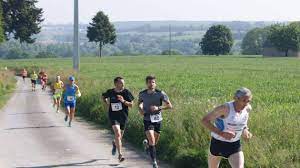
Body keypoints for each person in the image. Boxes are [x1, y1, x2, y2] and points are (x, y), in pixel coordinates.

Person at [201, 87, 253, 168]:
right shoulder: (224, 108)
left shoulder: (247, 109)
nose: (246, 104)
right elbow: (205, 120)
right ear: (235, 98)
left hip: (234, 145)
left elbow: (243, 122)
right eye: (243, 100)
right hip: (217, 144)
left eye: (248, 101)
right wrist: (222, 134)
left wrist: (245, 130)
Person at [138, 75, 173, 168]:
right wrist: (140, 109)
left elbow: (170, 106)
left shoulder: (160, 93)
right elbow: (139, 103)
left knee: (154, 142)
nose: (151, 84)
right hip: (147, 119)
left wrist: (159, 107)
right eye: (149, 82)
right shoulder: (142, 94)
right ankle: (154, 162)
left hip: (158, 120)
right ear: (146, 83)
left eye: (153, 82)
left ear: (155, 83)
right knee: (152, 140)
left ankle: (147, 146)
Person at [102, 77, 134, 162]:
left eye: (123, 83)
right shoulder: (110, 92)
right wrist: (106, 102)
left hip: (123, 117)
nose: (123, 84)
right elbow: (103, 96)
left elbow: (131, 105)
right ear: (116, 84)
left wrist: (123, 101)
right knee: (118, 133)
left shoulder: (126, 92)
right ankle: (120, 155)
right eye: (121, 83)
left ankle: (114, 143)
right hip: (113, 116)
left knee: (119, 137)